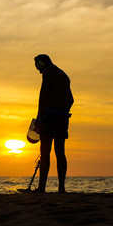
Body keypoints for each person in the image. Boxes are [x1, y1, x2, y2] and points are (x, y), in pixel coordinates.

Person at [33, 54, 74, 193]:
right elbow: (72, 99)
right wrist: (62, 110)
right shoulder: (64, 75)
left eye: (38, 66)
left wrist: (39, 118)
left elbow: (43, 96)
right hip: (62, 117)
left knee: (45, 152)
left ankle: (41, 188)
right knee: (60, 152)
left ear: (42, 64)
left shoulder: (48, 73)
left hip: (49, 117)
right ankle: (61, 188)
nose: (38, 70)